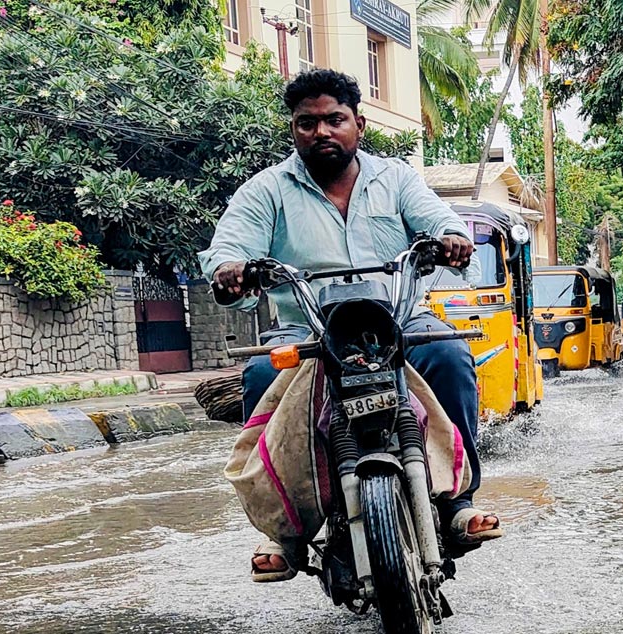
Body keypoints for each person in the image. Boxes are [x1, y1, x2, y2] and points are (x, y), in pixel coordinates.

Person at [200, 69, 501, 582]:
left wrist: (451, 237)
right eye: (307, 123)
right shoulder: (267, 190)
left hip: (398, 320)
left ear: (358, 124)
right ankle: (284, 531)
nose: (321, 131)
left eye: (334, 120)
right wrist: (230, 269)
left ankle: (457, 502)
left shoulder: (396, 179)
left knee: (450, 356)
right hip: (308, 329)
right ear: (294, 130)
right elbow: (228, 246)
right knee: (261, 375)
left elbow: (437, 218)